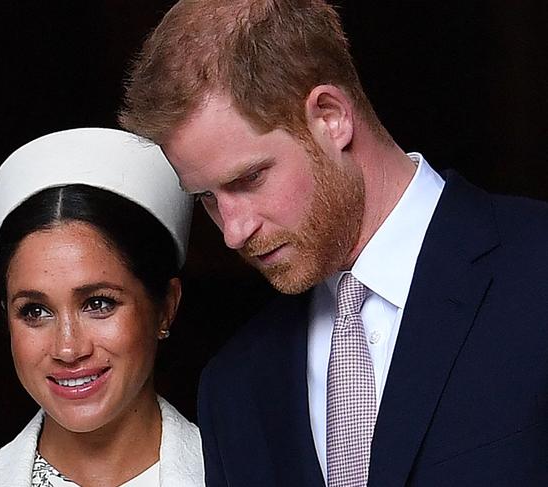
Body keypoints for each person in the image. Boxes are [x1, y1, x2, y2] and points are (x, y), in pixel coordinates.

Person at [117, 1, 548, 486]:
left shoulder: (537, 268)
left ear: (331, 116)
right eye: (207, 199)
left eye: (250, 178)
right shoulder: (235, 386)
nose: (232, 232)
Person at [0, 128, 203, 487]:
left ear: (166, 306)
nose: (68, 349)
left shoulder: (259, 473)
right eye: (34, 311)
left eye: (98, 303)